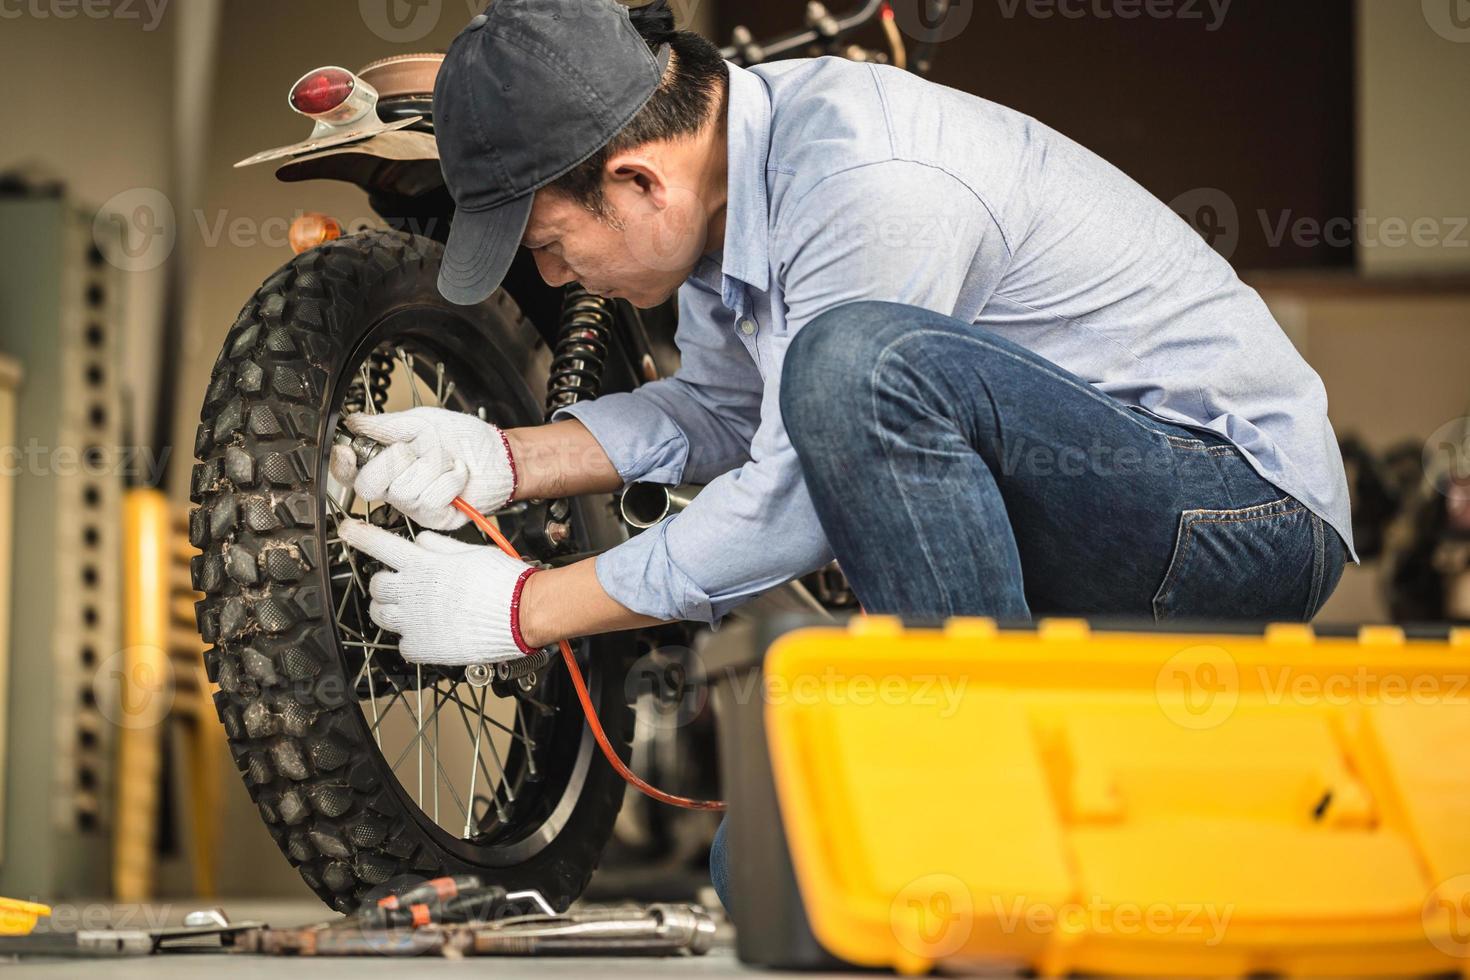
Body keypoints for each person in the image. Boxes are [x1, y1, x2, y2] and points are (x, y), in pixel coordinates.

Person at [332, 0, 1354, 912]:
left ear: (636, 177)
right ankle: (1061, 835)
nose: (555, 272)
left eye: (553, 247)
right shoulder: (726, 193)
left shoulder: (869, 181)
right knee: (774, 871)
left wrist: (526, 608)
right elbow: (723, 408)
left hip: (1232, 514)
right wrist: (505, 459)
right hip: (1089, 537)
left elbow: (791, 495)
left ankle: (987, 813)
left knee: (852, 360)